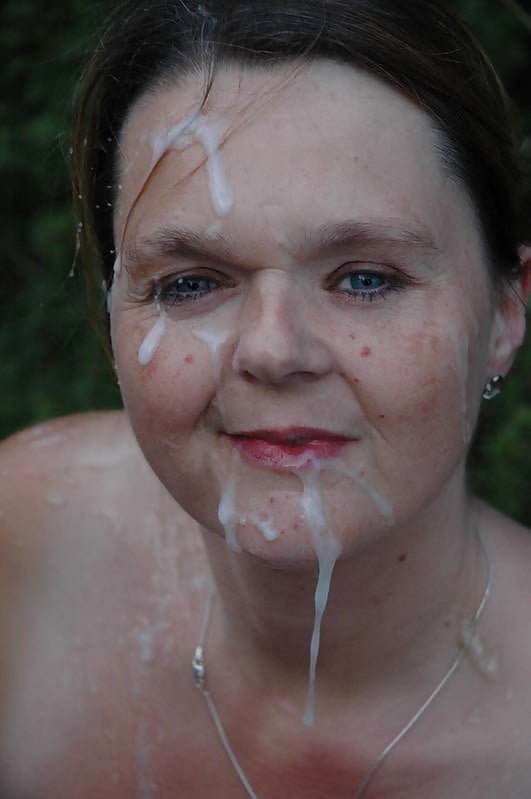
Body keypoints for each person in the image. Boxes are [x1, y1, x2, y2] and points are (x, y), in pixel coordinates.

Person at [1, 0, 531, 796]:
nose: (273, 351)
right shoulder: (26, 541)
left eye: (365, 278)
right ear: (112, 314)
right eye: (190, 283)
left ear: (505, 311)